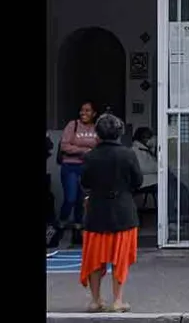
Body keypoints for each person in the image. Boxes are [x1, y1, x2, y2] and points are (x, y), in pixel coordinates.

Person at [78, 113, 143, 313]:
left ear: (97, 133)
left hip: (97, 212)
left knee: (95, 259)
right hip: (122, 211)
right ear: (119, 133)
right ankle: (118, 301)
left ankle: (96, 300)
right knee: (119, 258)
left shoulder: (90, 156)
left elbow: (85, 182)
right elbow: (137, 181)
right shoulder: (128, 154)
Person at [59, 101, 101, 243]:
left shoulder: (96, 128)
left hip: (87, 168)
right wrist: (84, 151)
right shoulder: (73, 125)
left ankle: (78, 231)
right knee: (70, 198)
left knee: (81, 201)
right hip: (70, 166)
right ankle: (61, 225)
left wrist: (89, 153)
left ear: (94, 113)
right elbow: (65, 146)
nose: (83, 113)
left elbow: (99, 147)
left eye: (88, 111)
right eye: (82, 110)